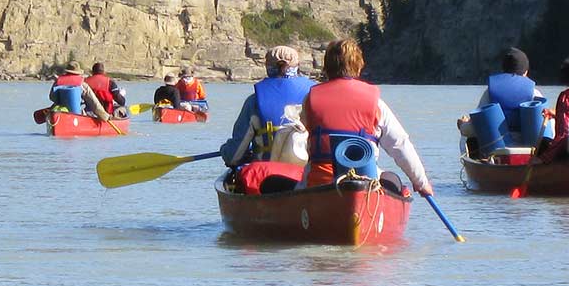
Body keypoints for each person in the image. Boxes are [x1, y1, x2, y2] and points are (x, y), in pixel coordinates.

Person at [300, 39, 434, 196]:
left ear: (327, 66)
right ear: (358, 65)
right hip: (367, 182)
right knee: (393, 180)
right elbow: (399, 144)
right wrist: (421, 183)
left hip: (319, 182)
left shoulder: (309, 100)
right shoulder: (376, 103)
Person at [220, 45, 314, 166]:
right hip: (307, 172)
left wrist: (225, 151)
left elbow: (234, 156)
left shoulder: (253, 102)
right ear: (297, 67)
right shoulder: (314, 97)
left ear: (268, 67)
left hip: (268, 175)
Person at [457, 46, 545, 153]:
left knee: (465, 137)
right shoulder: (534, 93)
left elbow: (475, 127)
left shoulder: (490, 92)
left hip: (497, 151)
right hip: (528, 152)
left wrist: (462, 125)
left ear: (503, 70)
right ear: (526, 72)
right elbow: (544, 126)